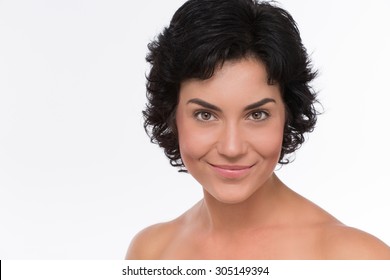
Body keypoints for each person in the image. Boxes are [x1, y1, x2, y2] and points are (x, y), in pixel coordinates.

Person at [126, 0, 390, 259]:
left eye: (257, 114)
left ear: (288, 114)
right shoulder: (151, 253)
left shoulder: (355, 259)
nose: (232, 148)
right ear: (171, 114)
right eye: (205, 115)